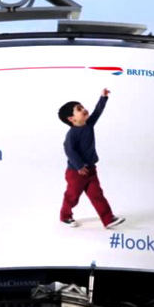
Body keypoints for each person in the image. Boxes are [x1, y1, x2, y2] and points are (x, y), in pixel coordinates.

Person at [57, 88, 125, 229]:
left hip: (90, 170)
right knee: (72, 196)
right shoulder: (72, 134)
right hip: (76, 173)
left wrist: (103, 98)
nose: (84, 109)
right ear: (71, 119)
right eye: (79, 109)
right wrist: (79, 166)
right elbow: (69, 150)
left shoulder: (89, 124)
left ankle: (108, 219)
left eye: (82, 107)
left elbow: (97, 112)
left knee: (97, 194)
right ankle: (65, 216)